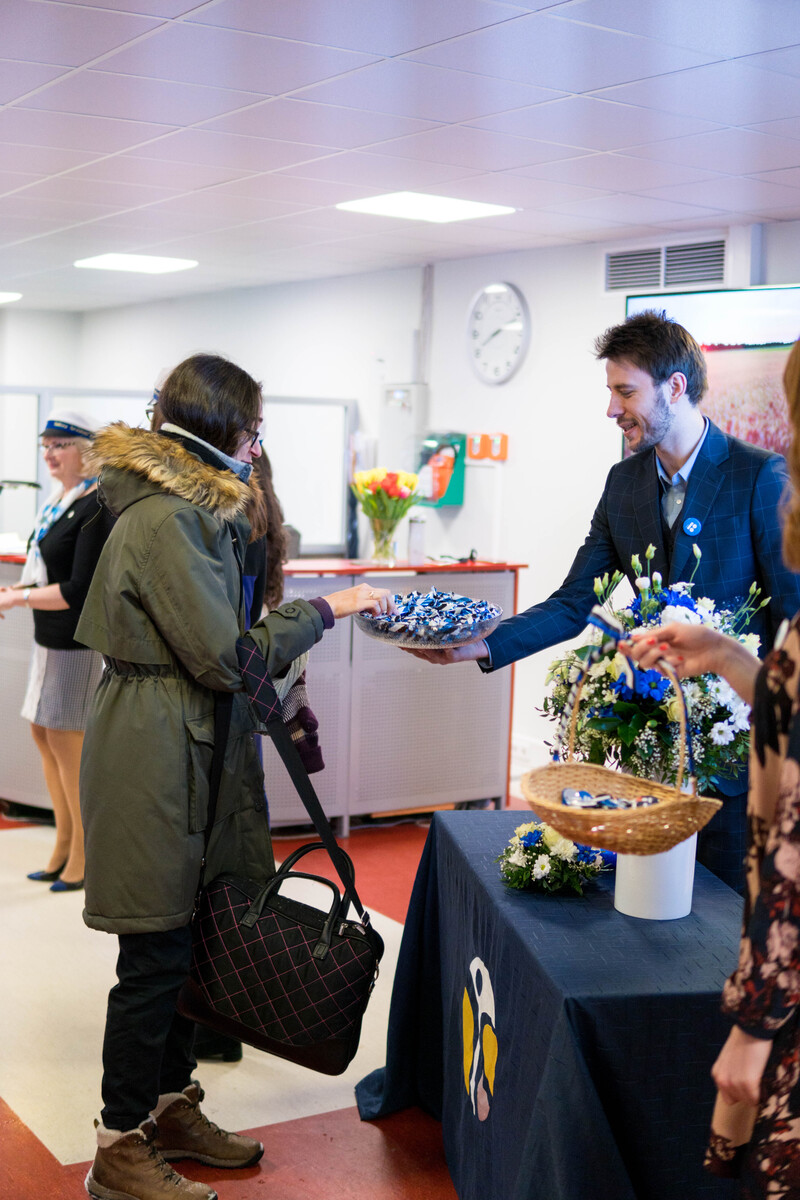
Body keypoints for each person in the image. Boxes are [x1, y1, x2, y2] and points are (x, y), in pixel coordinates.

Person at [76, 354, 394, 1200]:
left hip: (188, 737)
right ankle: (118, 1146)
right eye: (252, 428)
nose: (258, 445)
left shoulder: (193, 509)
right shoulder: (170, 519)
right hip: (156, 748)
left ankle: (170, 1106)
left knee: (196, 936)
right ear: (218, 429)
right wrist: (325, 610)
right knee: (155, 952)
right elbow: (226, 657)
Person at [412, 311, 800, 892]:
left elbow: (793, 618)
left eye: (626, 391)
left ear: (675, 387)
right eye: (611, 392)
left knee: (726, 919)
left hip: (739, 764)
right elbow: (574, 602)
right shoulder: (624, 483)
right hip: (651, 756)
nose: (612, 409)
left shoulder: (758, 476)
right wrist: (480, 646)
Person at [622, 337, 800, 1198]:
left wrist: (756, 1027)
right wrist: (728, 655)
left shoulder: (757, 480)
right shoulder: (627, 482)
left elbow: (792, 848)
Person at [0, 409, 114, 891]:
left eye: (60, 445)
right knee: (44, 736)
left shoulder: (96, 506)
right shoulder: (60, 502)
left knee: (69, 748)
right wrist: (19, 592)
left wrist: (17, 598)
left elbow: (79, 590)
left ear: (86, 449)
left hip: (75, 644)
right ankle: (62, 845)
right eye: (45, 445)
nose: (49, 453)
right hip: (49, 639)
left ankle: (82, 858)